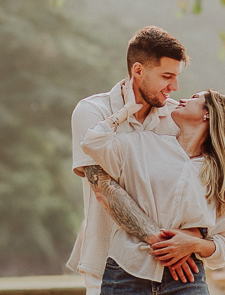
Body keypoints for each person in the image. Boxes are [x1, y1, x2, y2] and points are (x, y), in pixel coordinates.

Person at [82, 80, 225, 295]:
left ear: (207, 115)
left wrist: (192, 244)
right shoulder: (143, 144)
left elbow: (222, 247)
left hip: (186, 281)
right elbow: (92, 143)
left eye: (193, 99)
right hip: (126, 273)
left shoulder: (220, 176)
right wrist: (127, 110)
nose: (182, 99)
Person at [69, 26, 192, 295]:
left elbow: (195, 184)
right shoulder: (92, 112)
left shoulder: (178, 118)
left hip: (175, 268)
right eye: (167, 76)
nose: (174, 87)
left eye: (177, 77)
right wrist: (161, 242)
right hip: (109, 268)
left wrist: (192, 240)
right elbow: (104, 189)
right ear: (138, 71)